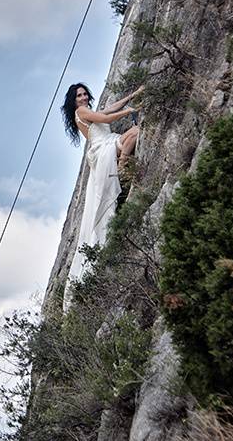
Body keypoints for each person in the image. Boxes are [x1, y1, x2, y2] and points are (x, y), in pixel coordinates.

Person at [60, 83, 144, 311]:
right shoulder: (81, 112)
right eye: (79, 95)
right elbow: (106, 120)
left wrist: (133, 95)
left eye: (85, 93)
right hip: (102, 148)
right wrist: (128, 112)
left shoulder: (89, 111)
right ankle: (123, 168)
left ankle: (122, 166)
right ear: (74, 100)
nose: (84, 97)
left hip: (105, 145)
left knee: (130, 136)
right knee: (135, 133)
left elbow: (107, 110)